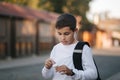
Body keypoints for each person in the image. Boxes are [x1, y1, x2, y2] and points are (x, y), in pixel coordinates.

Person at [42, 13, 98, 80]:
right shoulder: (56, 48)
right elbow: (47, 76)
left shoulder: (83, 48)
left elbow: (93, 74)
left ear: (75, 31)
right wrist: (47, 68)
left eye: (66, 34)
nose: (62, 38)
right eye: (59, 34)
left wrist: (72, 72)